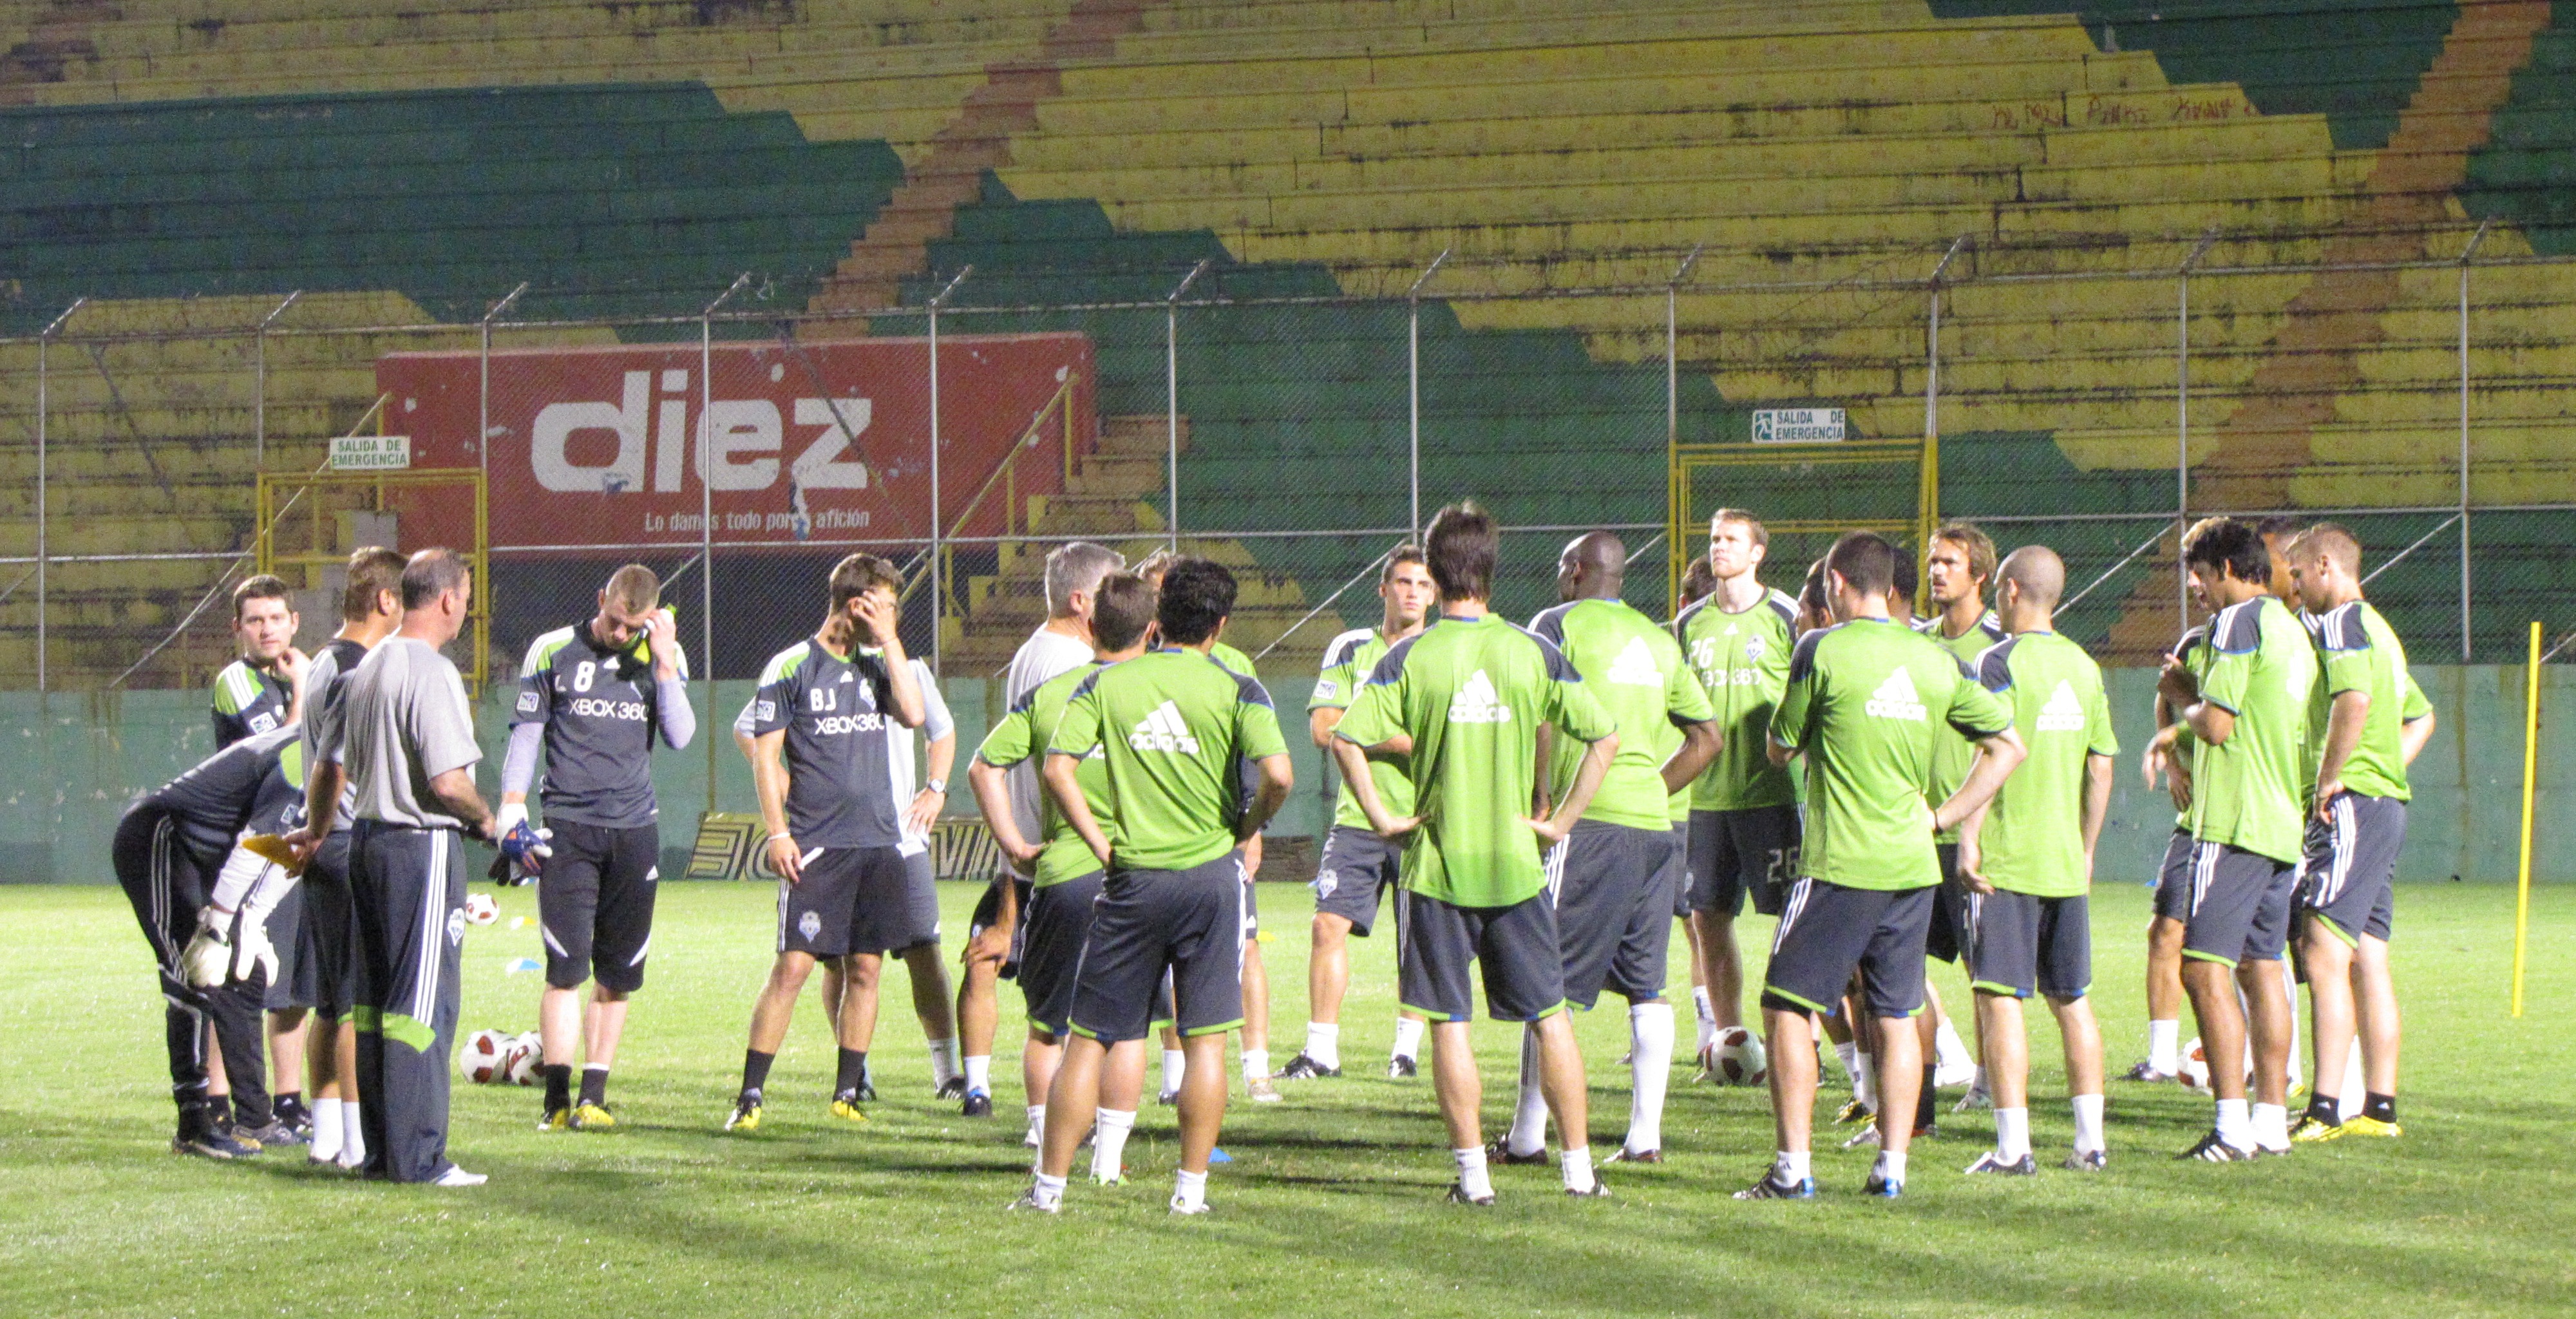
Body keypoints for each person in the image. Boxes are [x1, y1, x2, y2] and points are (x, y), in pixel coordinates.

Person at [1330, 502, 1620, 1204]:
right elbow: (1604, 736)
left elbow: (1344, 736)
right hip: (1516, 866)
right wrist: (1562, 821)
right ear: (1491, 568)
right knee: (1549, 1017)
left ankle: (1474, 1177)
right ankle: (1579, 1172)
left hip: (1436, 866)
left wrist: (1382, 815)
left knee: (1449, 1022)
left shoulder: (1407, 657)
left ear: (1431, 574)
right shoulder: (1531, 650)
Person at [1737, 531, 2022, 1200]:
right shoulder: (1932, 658)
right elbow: (2007, 745)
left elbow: (1780, 747)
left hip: (1841, 863)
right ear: (1891, 584)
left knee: (1784, 1006)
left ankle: (1793, 1168)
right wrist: (1942, 817)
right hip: (1912, 865)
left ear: (1836, 581)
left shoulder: (1819, 647)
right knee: (1896, 1015)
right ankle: (1892, 1166)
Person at [1017, 558, 1293, 1215]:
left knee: (1088, 1037)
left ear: (1158, 614)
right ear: (1220, 624)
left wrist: (1100, 842)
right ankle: (1189, 1192)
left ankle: (1048, 1191)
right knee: (1205, 1040)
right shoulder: (1237, 687)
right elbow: (1278, 774)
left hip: (1133, 877)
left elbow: (1058, 770)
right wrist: (1246, 825)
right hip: (1209, 881)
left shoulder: (1106, 684)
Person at [1502, 531, 1718, 1164]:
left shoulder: (1556, 622)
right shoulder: (1659, 639)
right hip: (1655, 831)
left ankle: (1525, 1137)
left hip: (1588, 824)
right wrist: (1649, 788)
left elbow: (1543, 710)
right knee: (1649, 986)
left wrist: (1541, 793)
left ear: (1574, 571)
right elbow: (1708, 739)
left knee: (1546, 985)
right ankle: (1643, 1138)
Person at [290, 547, 496, 1186]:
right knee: (422, 1004)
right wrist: (488, 822)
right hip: (419, 846)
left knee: (374, 1005)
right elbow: (448, 781)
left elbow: (328, 765)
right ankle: (421, 1157)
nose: (467, 605)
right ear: (446, 599)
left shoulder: (365, 663)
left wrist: (319, 829)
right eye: (465, 593)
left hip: (365, 844)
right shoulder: (431, 672)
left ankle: (380, 1151)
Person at [724, 553, 928, 1132]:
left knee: (866, 968)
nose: (894, 616)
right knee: (793, 967)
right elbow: (764, 754)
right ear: (857, 604)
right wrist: (779, 831)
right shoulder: (791, 666)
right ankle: (750, 1096)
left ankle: (847, 1092)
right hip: (817, 845)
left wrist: (889, 641)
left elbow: (912, 715)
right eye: (886, 605)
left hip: (878, 843)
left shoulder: (878, 663)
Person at [970, 572, 1163, 1173]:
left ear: (1092, 627)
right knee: (1126, 1027)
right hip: (1141, 874)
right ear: (1152, 630)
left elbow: (983, 768)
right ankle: (1108, 1161)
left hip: (1063, 875)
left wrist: (1012, 842)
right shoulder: (1165, 690)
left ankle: (1041, 1142)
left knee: (1048, 1025)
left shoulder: (1054, 693)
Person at [501, 565, 696, 1131]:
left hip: (635, 833)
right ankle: (556, 1101)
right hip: (567, 830)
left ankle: (595, 1095)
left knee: (617, 978)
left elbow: (681, 737)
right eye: (614, 621)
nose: (619, 633)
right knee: (565, 971)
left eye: (632, 625)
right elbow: (526, 735)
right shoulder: (553, 649)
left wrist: (663, 663)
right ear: (601, 601)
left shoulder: (663, 659)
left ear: (651, 618)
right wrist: (512, 810)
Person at [2147, 517, 2313, 1161]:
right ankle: (2271, 1121)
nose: (2196, 585)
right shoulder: (2290, 630)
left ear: (2225, 570)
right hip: (2279, 824)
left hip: (2234, 820)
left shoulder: (2237, 622)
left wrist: (2181, 691)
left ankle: (2230, 1126)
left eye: (2199, 571)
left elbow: (2215, 724)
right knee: (2260, 967)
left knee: (2202, 967)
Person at [1955, 546, 2117, 1173]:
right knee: (2071, 999)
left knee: (2001, 999)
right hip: (2061, 862)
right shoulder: (2083, 664)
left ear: (2011, 590)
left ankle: (2013, 1147)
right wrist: (2085, 847)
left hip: (2007, 862)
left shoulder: (1997, 661)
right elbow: (2100, 766)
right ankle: (2089, 1143)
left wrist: (1967, 834)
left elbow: (1990, 753)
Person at [961, 541, 1128, 1122]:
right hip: (1074, 859)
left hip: (1041, 857)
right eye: (1112, 588)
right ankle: (1072, 1133)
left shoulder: (1037, 653)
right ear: (1082, 600)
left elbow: (993, 766)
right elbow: (1065, 772)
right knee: (1089, 1018)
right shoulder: (1071, 670)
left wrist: (1010, 850)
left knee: (1053, 1013)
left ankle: (1044, 1128)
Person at [2284, 524, 2436, 1141]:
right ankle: (2379, 1109)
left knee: (2322, 952)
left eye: (2297, 576)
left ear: (2326, 566)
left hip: (2351, 809)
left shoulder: (2344, 623)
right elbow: (2421, 718)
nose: (2293, 589)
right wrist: (2384, 768)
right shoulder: (2383, 632)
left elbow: (2353, 702)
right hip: (2383, 805)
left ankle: (2323, 1108)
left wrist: (2332, 778)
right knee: (2369, 958)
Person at [1275, 546, 1438, 1083]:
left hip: (1423, 817)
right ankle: (1322, 1050)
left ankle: (1405, 1053)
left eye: (1422, 584)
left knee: (1420, 940)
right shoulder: (1351, 647)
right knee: (1328, 924)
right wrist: (1400, 738)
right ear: (1383, 589)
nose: (1412, 591)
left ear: (1435, 595)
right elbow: (1325, 729)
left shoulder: (1440, 651)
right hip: (1357, 819)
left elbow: (1437, 741)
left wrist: (1363, 729)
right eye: (1403, 582)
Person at [114, 724, 307, 1159]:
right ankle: (193, 1124)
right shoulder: (305, 751)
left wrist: (254, 920)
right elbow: (254, 844)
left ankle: (255, 1117)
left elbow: (298, 847)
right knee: (193, 973)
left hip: (205, 854)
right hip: (161, 838)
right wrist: (220, 924)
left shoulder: (336, 753)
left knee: (246, 971)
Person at [1137, 548, 1276, 1102]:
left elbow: (1253, 758)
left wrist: (1253, 828)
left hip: (1221, 836)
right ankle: (1176, 1080)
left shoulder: (1235, 667)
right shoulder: (1134, 665)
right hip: (1160, 841)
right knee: (1170, 960)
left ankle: (1257, 1067)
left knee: (1246, 948)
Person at [1672, 509, 1800, 1079]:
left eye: (1731, 540)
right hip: (1707, 802)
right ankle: (1731, 1042)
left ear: (1757, 554)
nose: (1719, 547)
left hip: (1774, 798)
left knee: (1793, 923)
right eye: (1715, 538)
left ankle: (1805, 1043)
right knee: (1709, 922)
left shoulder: (1785, 616)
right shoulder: (1689, 624)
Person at [292, 546, 407, 1168]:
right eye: (404, 600)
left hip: (322, 841)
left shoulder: (319, 663)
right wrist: (319, 829)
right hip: (343, 841)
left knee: (330, 1000)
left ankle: (326, 1138)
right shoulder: (358, 668)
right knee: (355, 1004)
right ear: (386, 601)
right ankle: (358, 1142)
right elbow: (331, 764)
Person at [214, 574, 316, 1143]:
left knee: (292, 982)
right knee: (235, 977)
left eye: (276, 617)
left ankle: (286, 1100)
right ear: (238, 629)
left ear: (294, 622)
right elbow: (284, 748)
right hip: (251, 842)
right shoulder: (236, 681)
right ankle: (217, 1100)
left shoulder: (301, 674)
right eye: (255, 620)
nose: (267, 628)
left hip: (292, 842)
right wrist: (302, 687)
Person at [1918, 522, 2007, 1112]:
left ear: (1980, 575)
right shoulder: (1918, 642)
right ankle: (1913, 1083)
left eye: (1950, 562)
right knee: (1891, 961)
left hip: (1975, 831)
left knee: (1985, 968)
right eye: (1932, 561)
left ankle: (1987, 1081)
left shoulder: (2002, 647)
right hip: (1918, 829)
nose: (1936, 571)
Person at [2127, 607, 2208, 1085]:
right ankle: (2160, 1059)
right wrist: (2173, 758)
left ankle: (2279, 1069)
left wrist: (2173, 733)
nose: (2197, 587)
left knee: (2257, 955)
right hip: (2195, 819)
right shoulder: (2195, 641)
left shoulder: (2260, 637)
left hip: (2247, 820)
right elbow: (2166, 695)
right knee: (2164, 931)